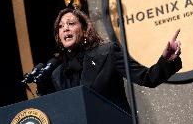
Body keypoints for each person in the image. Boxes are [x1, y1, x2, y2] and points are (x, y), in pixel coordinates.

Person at [36, 8, 182, 113]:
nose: (65, 29)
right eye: (60, 27)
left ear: (84, 29)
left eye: (71, 23)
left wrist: (166, 60)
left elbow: (147, 78)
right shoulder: (58, 74)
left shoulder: (107, 52)